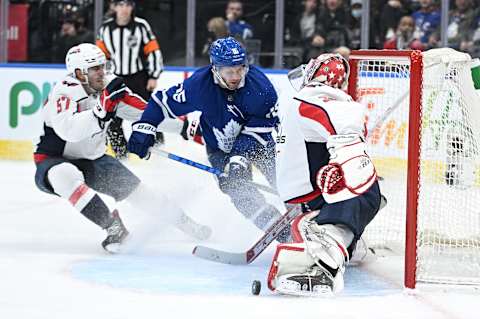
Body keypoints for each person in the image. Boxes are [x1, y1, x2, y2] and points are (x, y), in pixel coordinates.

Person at [33, 43, 211, 253]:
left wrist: (186, 128)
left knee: (141, 194)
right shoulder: (63, 92)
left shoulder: (110, 88)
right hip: (54, 160)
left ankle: (186, 223)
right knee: (65, 175)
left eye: (103, 66)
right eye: (95, 68)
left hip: (93, 159)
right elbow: (68, 130)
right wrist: (101, 112)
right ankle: (113, 228)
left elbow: (145, 112)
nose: (102, 72)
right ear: (80, 73)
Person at [128, 37, 291, 243]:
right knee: (238, 191)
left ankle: (317, 228)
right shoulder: (199, 86)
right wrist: (145, 127)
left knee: (287, 183)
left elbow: (260, 130)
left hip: (261, 143)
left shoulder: (261, 88)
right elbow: (161, 102)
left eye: (240, 69)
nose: (235, 76)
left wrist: (239, 159)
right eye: (229, 71)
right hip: (220, 149)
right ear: (215, 69)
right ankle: (285, 234)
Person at [266, 53, 382, 296]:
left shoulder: (299, 96)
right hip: (309, 197)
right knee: (366, 189)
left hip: (299, 194)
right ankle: (325, 247)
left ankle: (345, 239)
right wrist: (350, 156)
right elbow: (341, 120)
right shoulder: (315, 97)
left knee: (369, 189)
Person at [96, 0, 165, 160]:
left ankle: (158, 148)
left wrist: (154, 75)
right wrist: (102, 79)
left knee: (149, 113)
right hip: (116, 79)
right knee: (112, 119)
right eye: (120, 5)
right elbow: (101, 56)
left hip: (139, 78)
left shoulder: (141, 26)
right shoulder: (105, 28)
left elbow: (153, 51)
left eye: (128, 5)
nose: (124, 9)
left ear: (132, 7)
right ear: (114, 7)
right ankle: (122, 156)